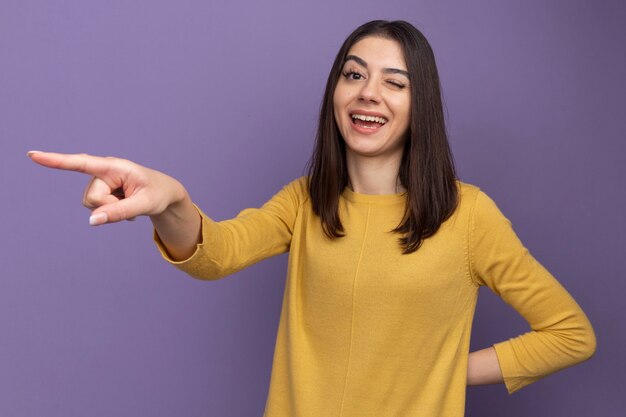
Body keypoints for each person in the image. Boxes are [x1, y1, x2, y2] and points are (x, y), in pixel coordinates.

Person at [28, 20, 595, 417]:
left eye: (394, 83)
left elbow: (571, 335)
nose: (368, 93)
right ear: (335, 92)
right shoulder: (304, 201)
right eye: (353, 75)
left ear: (420, 104)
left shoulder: (468, 214)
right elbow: (217, 253)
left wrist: (442, 373)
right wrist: (172, 202)